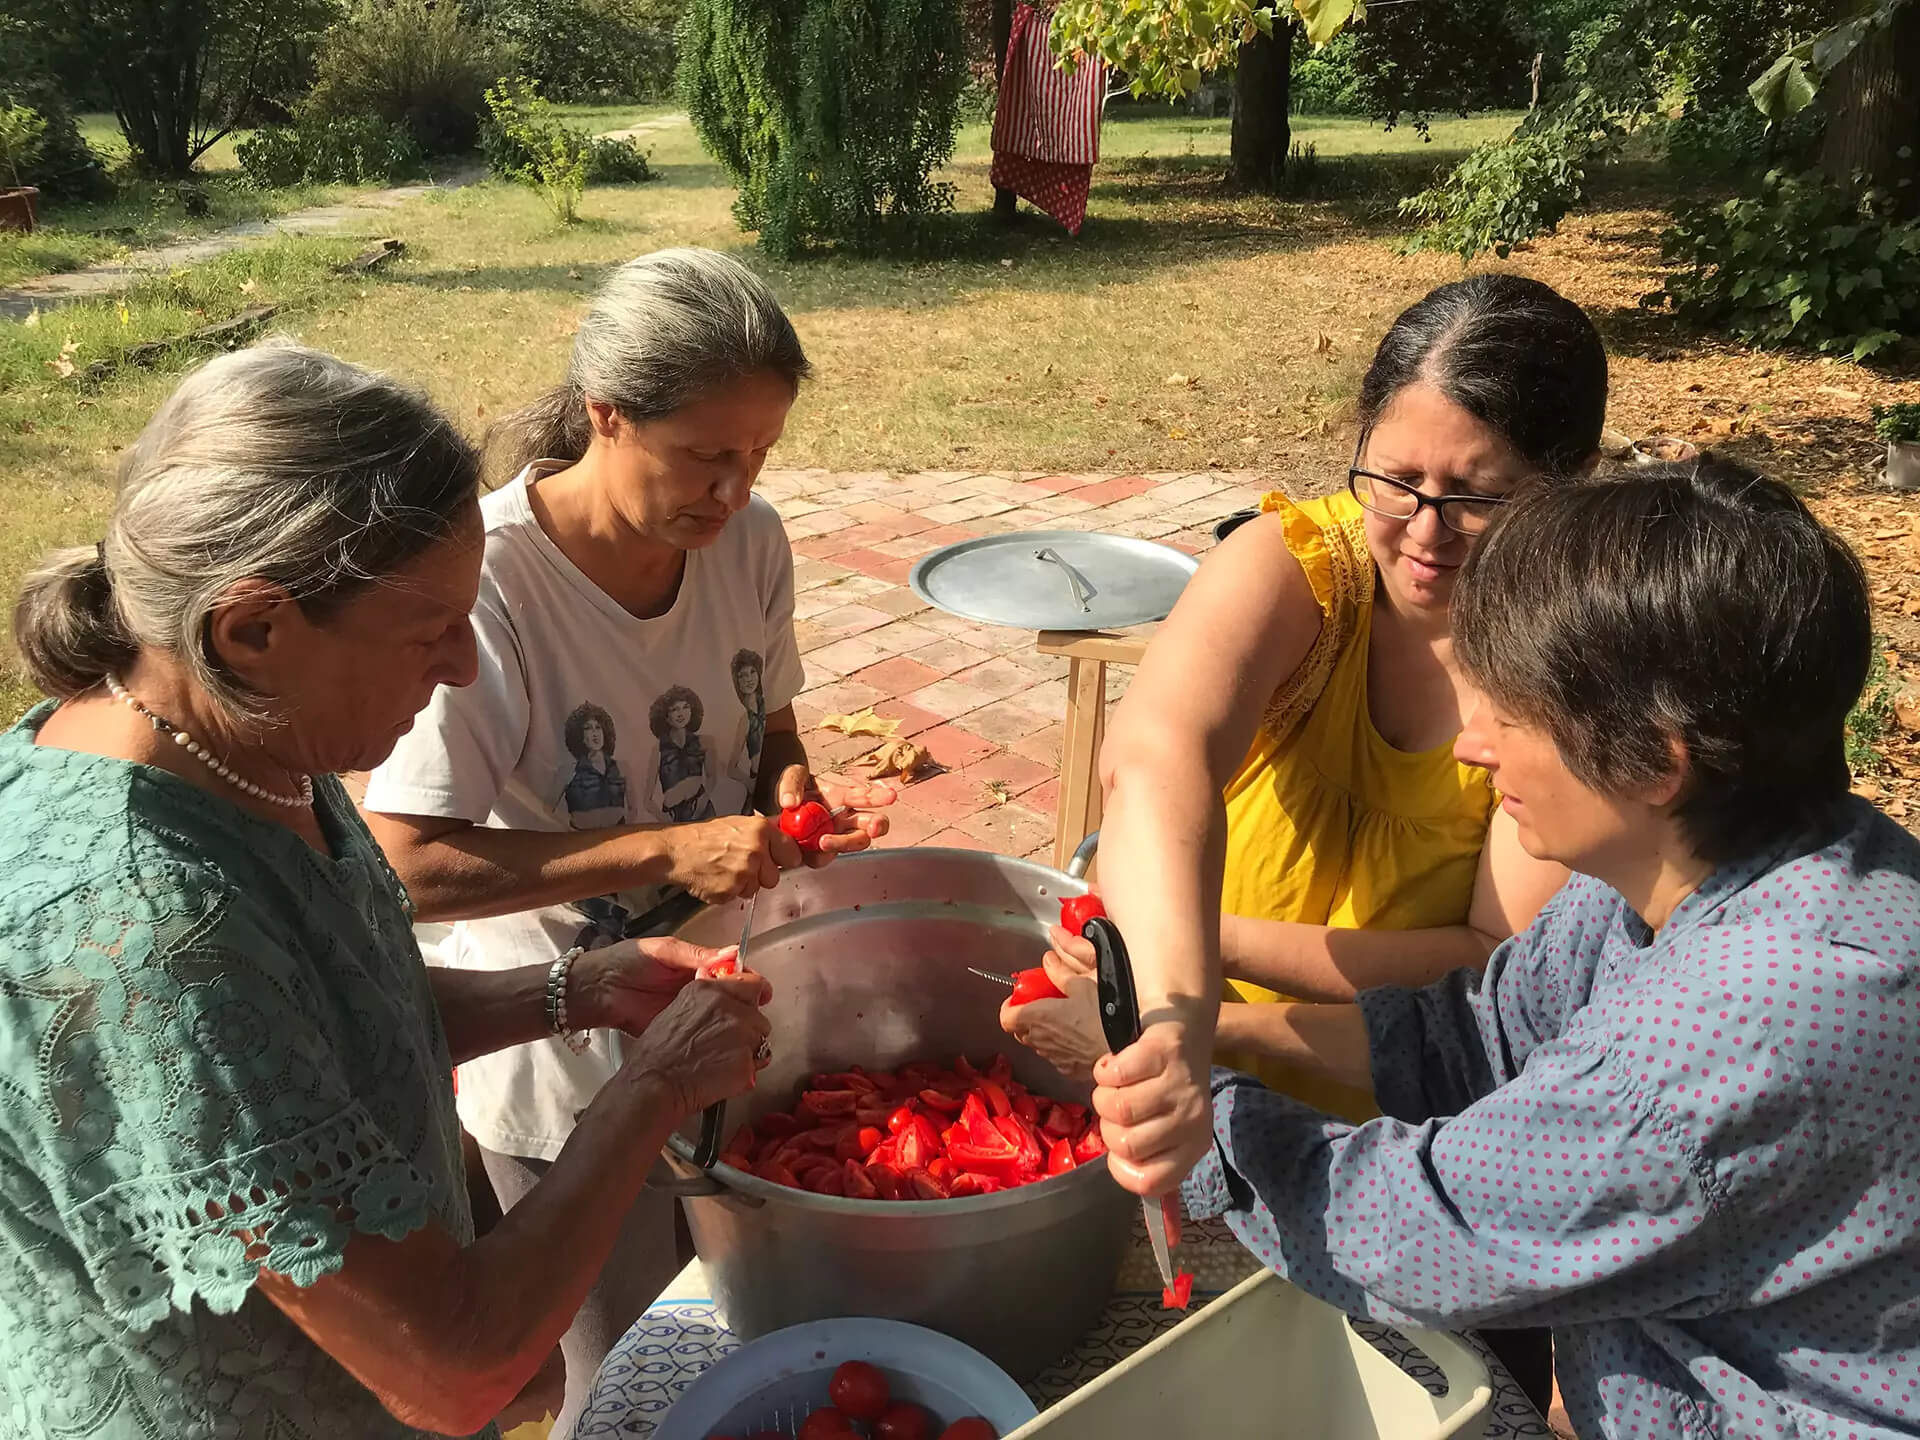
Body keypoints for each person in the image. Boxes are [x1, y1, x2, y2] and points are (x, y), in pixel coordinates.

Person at [0, 344, 772, 1440]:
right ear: (252, 629)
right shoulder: (153, 934)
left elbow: (320, 1030)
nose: (462, 668)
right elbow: (455, 1369)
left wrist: (570, 991)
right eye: (429, 633)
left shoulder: (244, 747)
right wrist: (650, 1089)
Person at [1139, 458, 1920, 1439]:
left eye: (1507, 715)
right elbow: (1486, 1030)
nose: (1472, 745)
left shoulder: (1744, 1032)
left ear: (1654, 760)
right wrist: (1213, 1027)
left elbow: (1413, 1237)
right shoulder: (1698, 862)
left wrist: (1190, 1114)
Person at [361, 246, 889, 1433]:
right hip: (564, 1064)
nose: (736, 489)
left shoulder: (745, 544)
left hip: (730, 1021)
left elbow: (770, 725)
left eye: (759, 454)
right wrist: (663, 851)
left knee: (746, 1332)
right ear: (607, 414)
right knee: (625, 1385)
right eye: (707, 455)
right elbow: (403, 866)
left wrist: (795, 791)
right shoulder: (492, 589)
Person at [1004, 274, 1605, 1128]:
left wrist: (1201, 986)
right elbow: (1154, 761)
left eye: (1479, 499)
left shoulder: (1574, 668)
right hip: (1177, 1040)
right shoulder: (1300, 569)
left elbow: (1490, 969)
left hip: (1403, 1118)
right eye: (1396, 480)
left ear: (1570, 483)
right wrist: (1180, 1016)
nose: (1426, 533)